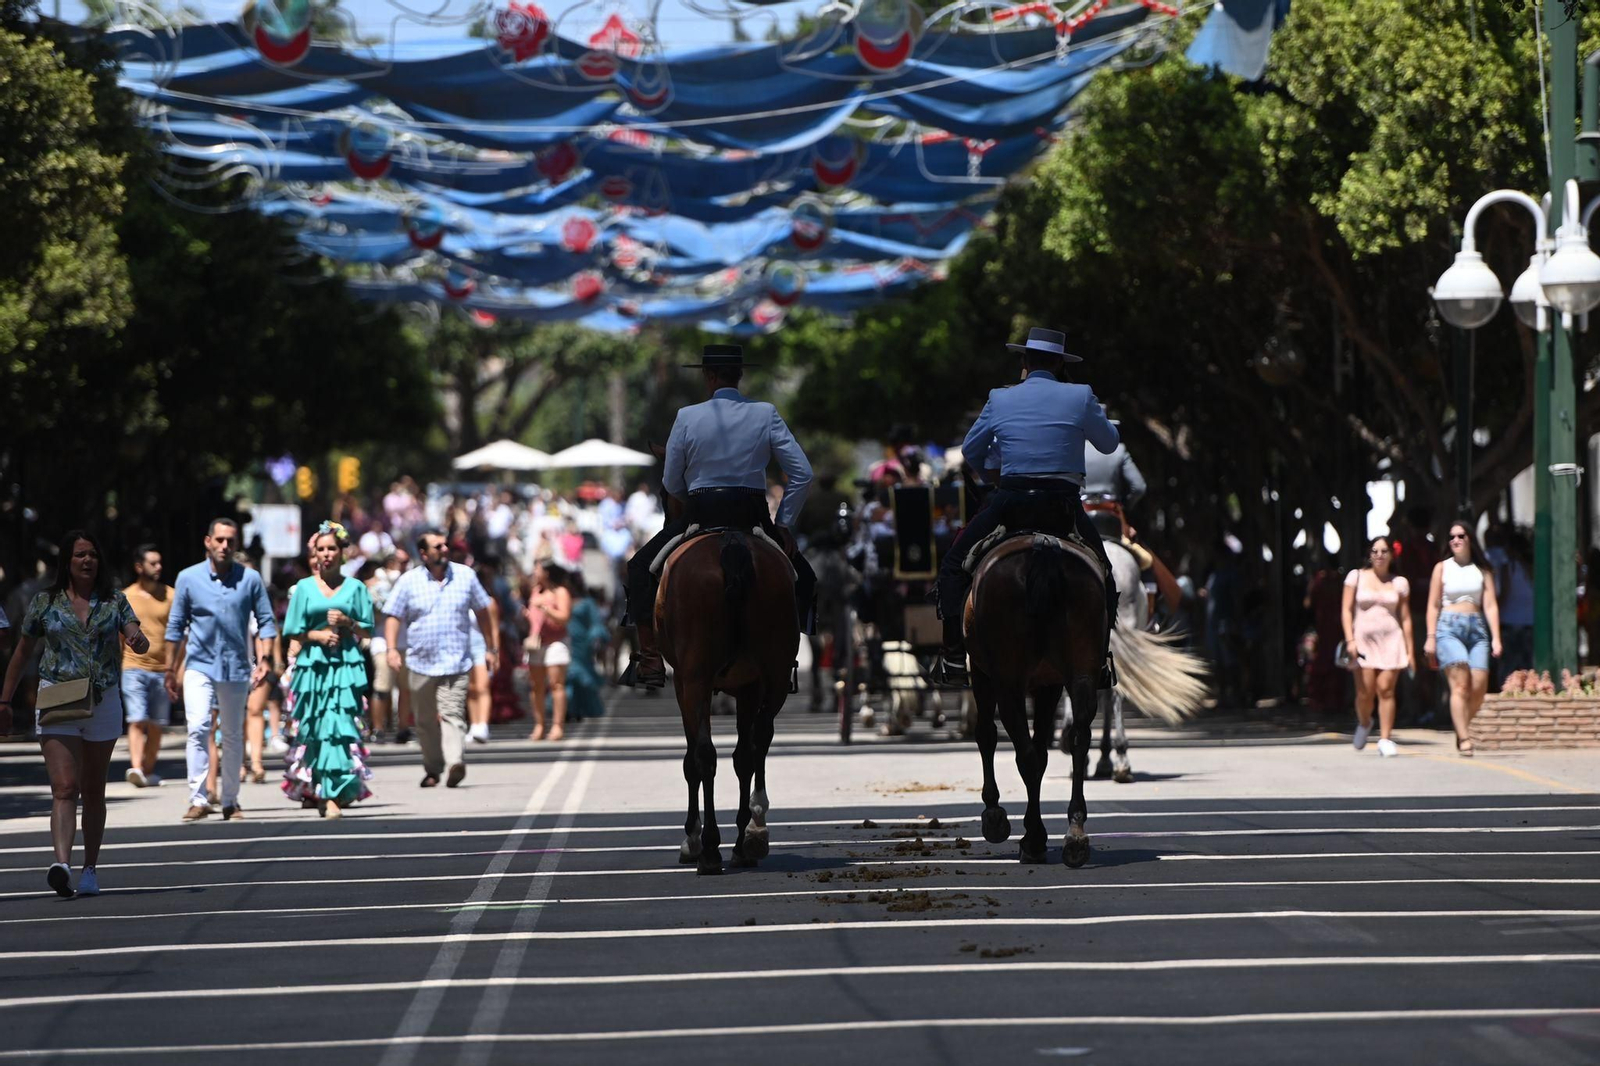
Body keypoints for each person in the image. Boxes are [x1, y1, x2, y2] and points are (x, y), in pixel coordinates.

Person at [935, 327, 1120, 687]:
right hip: (1064, 506)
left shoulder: (999, 397)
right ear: (1060, 364)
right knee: (1105, 573)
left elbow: (971, 451)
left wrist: (993, 476)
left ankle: (954, 656)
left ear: (1024, 360)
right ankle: (1099, 660)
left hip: (1011, 502)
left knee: (953, 565)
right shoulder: (1081, 395)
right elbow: (1110, 444)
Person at [623, 343, 816, 688]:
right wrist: (784, 523)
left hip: (702, 511)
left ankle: (650, 657)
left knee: (639, 568)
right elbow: (803, 473)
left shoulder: (687, 416)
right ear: (739, 376)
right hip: (753, 516)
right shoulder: (766, 412)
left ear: (709, 376)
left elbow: (671, 481)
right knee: (805, 577)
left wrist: (690, 499)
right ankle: (784, 659)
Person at [0, 529, 149, 897]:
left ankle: (90, 869)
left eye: (93, 554)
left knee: (93, 789)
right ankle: (62, 865)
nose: (87, 560)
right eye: (80, 554)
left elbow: (134, 633)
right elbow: (22, 652)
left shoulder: (113, 600)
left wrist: (137, 639)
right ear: (67, 561)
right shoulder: (45, 602)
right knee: (65, 787)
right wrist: (4, 700)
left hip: (102, 701)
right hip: (58, 699)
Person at [166, 518, 277, 822]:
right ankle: (199, 798)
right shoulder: (188, 578)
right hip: (199, 665)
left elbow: (266, 621)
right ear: (208, 542)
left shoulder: (250, 579)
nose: (225, 546)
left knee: (232, 734)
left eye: (230, 540)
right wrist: (169, 669)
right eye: (219, 540)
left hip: (236, 667)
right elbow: (175, 626)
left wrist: (266, 659)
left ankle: (230, 800)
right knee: (199, 726)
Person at [383, 528, 498, 788]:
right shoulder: (408, 581)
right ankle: (433, 768)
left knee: (452, 713)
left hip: (456, 661)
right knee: (424, 721)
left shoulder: (465, 576)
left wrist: (491, 648)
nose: (444, 550)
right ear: (423, 554)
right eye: (437, 547)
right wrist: (391, 649)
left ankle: (455, 761)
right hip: (420, 662)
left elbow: (483, 611)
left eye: (445, 545)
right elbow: (393, 615)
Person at [281, 522, 375, 818]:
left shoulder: (356, 588)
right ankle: (321, 788)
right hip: (313, 668)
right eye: (321, 549)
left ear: (342, 552)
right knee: (315, 729)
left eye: (332, 548)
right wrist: (316, 635)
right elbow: (293, 631)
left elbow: (368, 629)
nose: (326, 554)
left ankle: (334, 794)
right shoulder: (304, 588)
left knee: (338, 727)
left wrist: (348, 622)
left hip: (344, 667)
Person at [1424, 520, 1503, 756]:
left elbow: (1490, 605)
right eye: (1452, 537)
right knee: (1460, 685)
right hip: (1448, 628)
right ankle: (1465, 738)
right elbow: (1433, 605)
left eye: (1461, 536)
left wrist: (1496, 637)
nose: (1456, 540)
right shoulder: (1442, 568)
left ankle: (1462, 727)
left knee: (1478, 687)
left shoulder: (1483, 570)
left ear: (1470, 539)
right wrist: (1430, 637)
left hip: (1477, 629)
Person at [1341, 535, 1415, 757]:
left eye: (1384, 551)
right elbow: (1346, 610)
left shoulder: (1399, 583)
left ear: (1391, 555)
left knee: (1386, 689)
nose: (1379, 555)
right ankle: (1365, 722)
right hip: (1363, 641)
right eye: (1375, 551)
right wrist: (1350, 640)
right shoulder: (1356, 577)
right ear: (1369, 554)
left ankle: (1385, 738)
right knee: (1365, 692)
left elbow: (1406, 618)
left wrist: (1411, 651)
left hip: (1391, 640)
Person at [121, 544, 173, 788]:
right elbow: (118, 635)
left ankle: (147, 771)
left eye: (160, 562)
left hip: (162, 669)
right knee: (137, 718)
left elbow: (179, 635)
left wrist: (176, 668)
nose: (158, 567)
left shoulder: (171, 596)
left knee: (156, 725)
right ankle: (136, 767)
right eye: (153, 563)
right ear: (139, 567)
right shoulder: (126, 597)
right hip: (132, 666)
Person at [525, 559, 574, 740]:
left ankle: (557, 726)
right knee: (536, 686)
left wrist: (546, 609)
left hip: (556, 642)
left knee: (556, 684)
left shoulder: (560, 592)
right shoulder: (535, 591)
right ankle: (539, 725)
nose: (534, 573)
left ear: (547, 572)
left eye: (537, 569)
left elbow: (564, 617)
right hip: (537, 642)